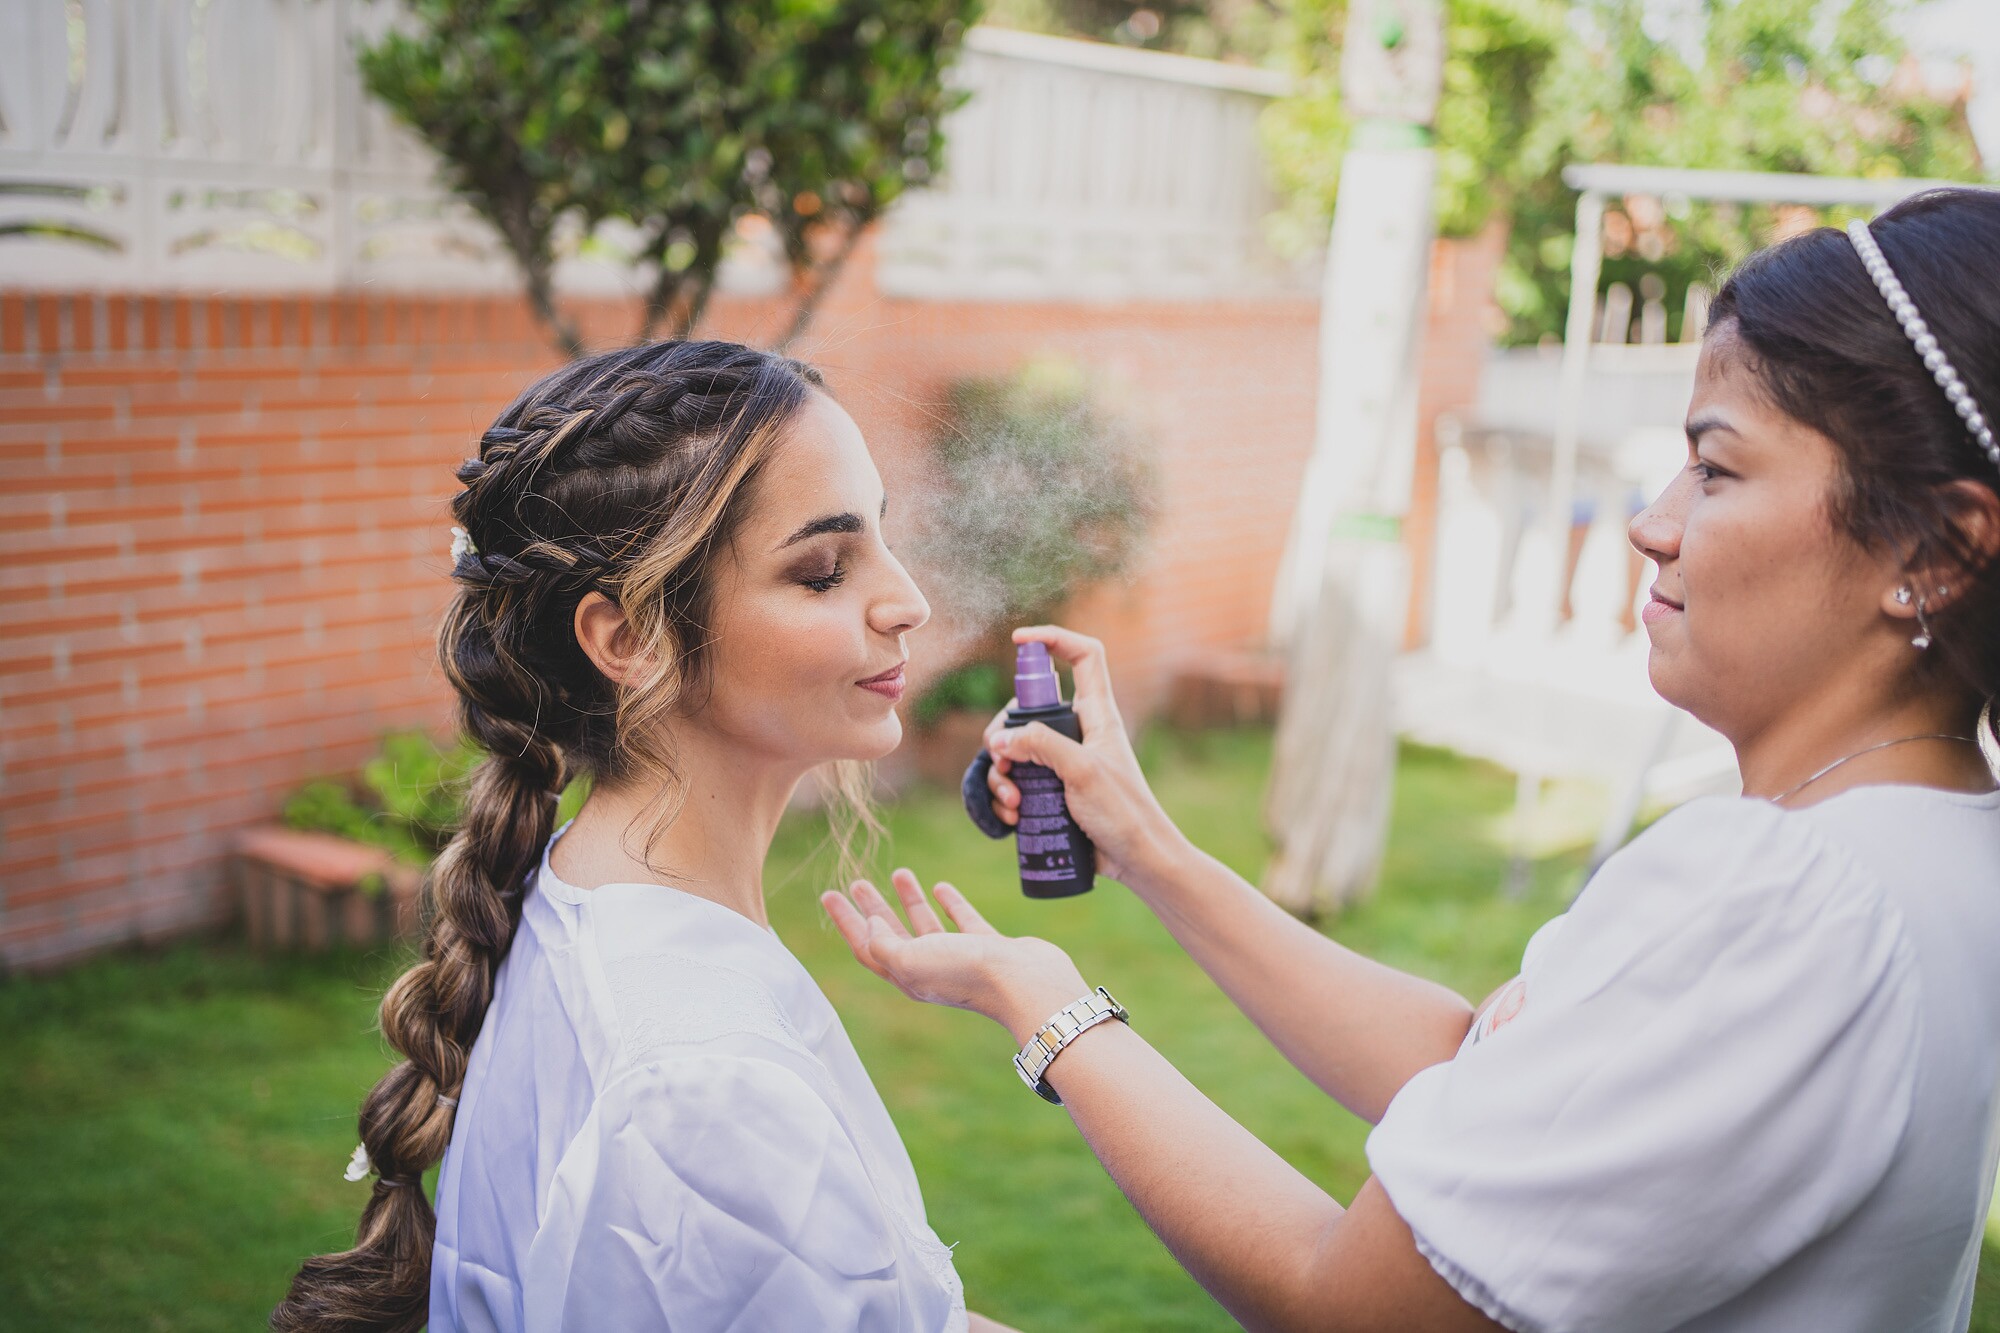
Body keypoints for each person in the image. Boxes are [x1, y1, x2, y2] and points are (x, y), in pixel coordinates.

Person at [823, 186, 2000, 1332]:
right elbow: (1479, 1069)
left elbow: (1347, 1303)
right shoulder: (1934, 845)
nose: (1651, 521)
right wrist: (1150, 851)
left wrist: (1043, 1003)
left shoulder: (1786, 902)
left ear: (1935, 549)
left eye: (1716, 467)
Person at [274, 341, 1016, 1332]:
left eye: (880, 535)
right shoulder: (706, 1090)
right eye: (822, 570)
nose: (908, 601)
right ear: (625, 639)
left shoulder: (570, 891)